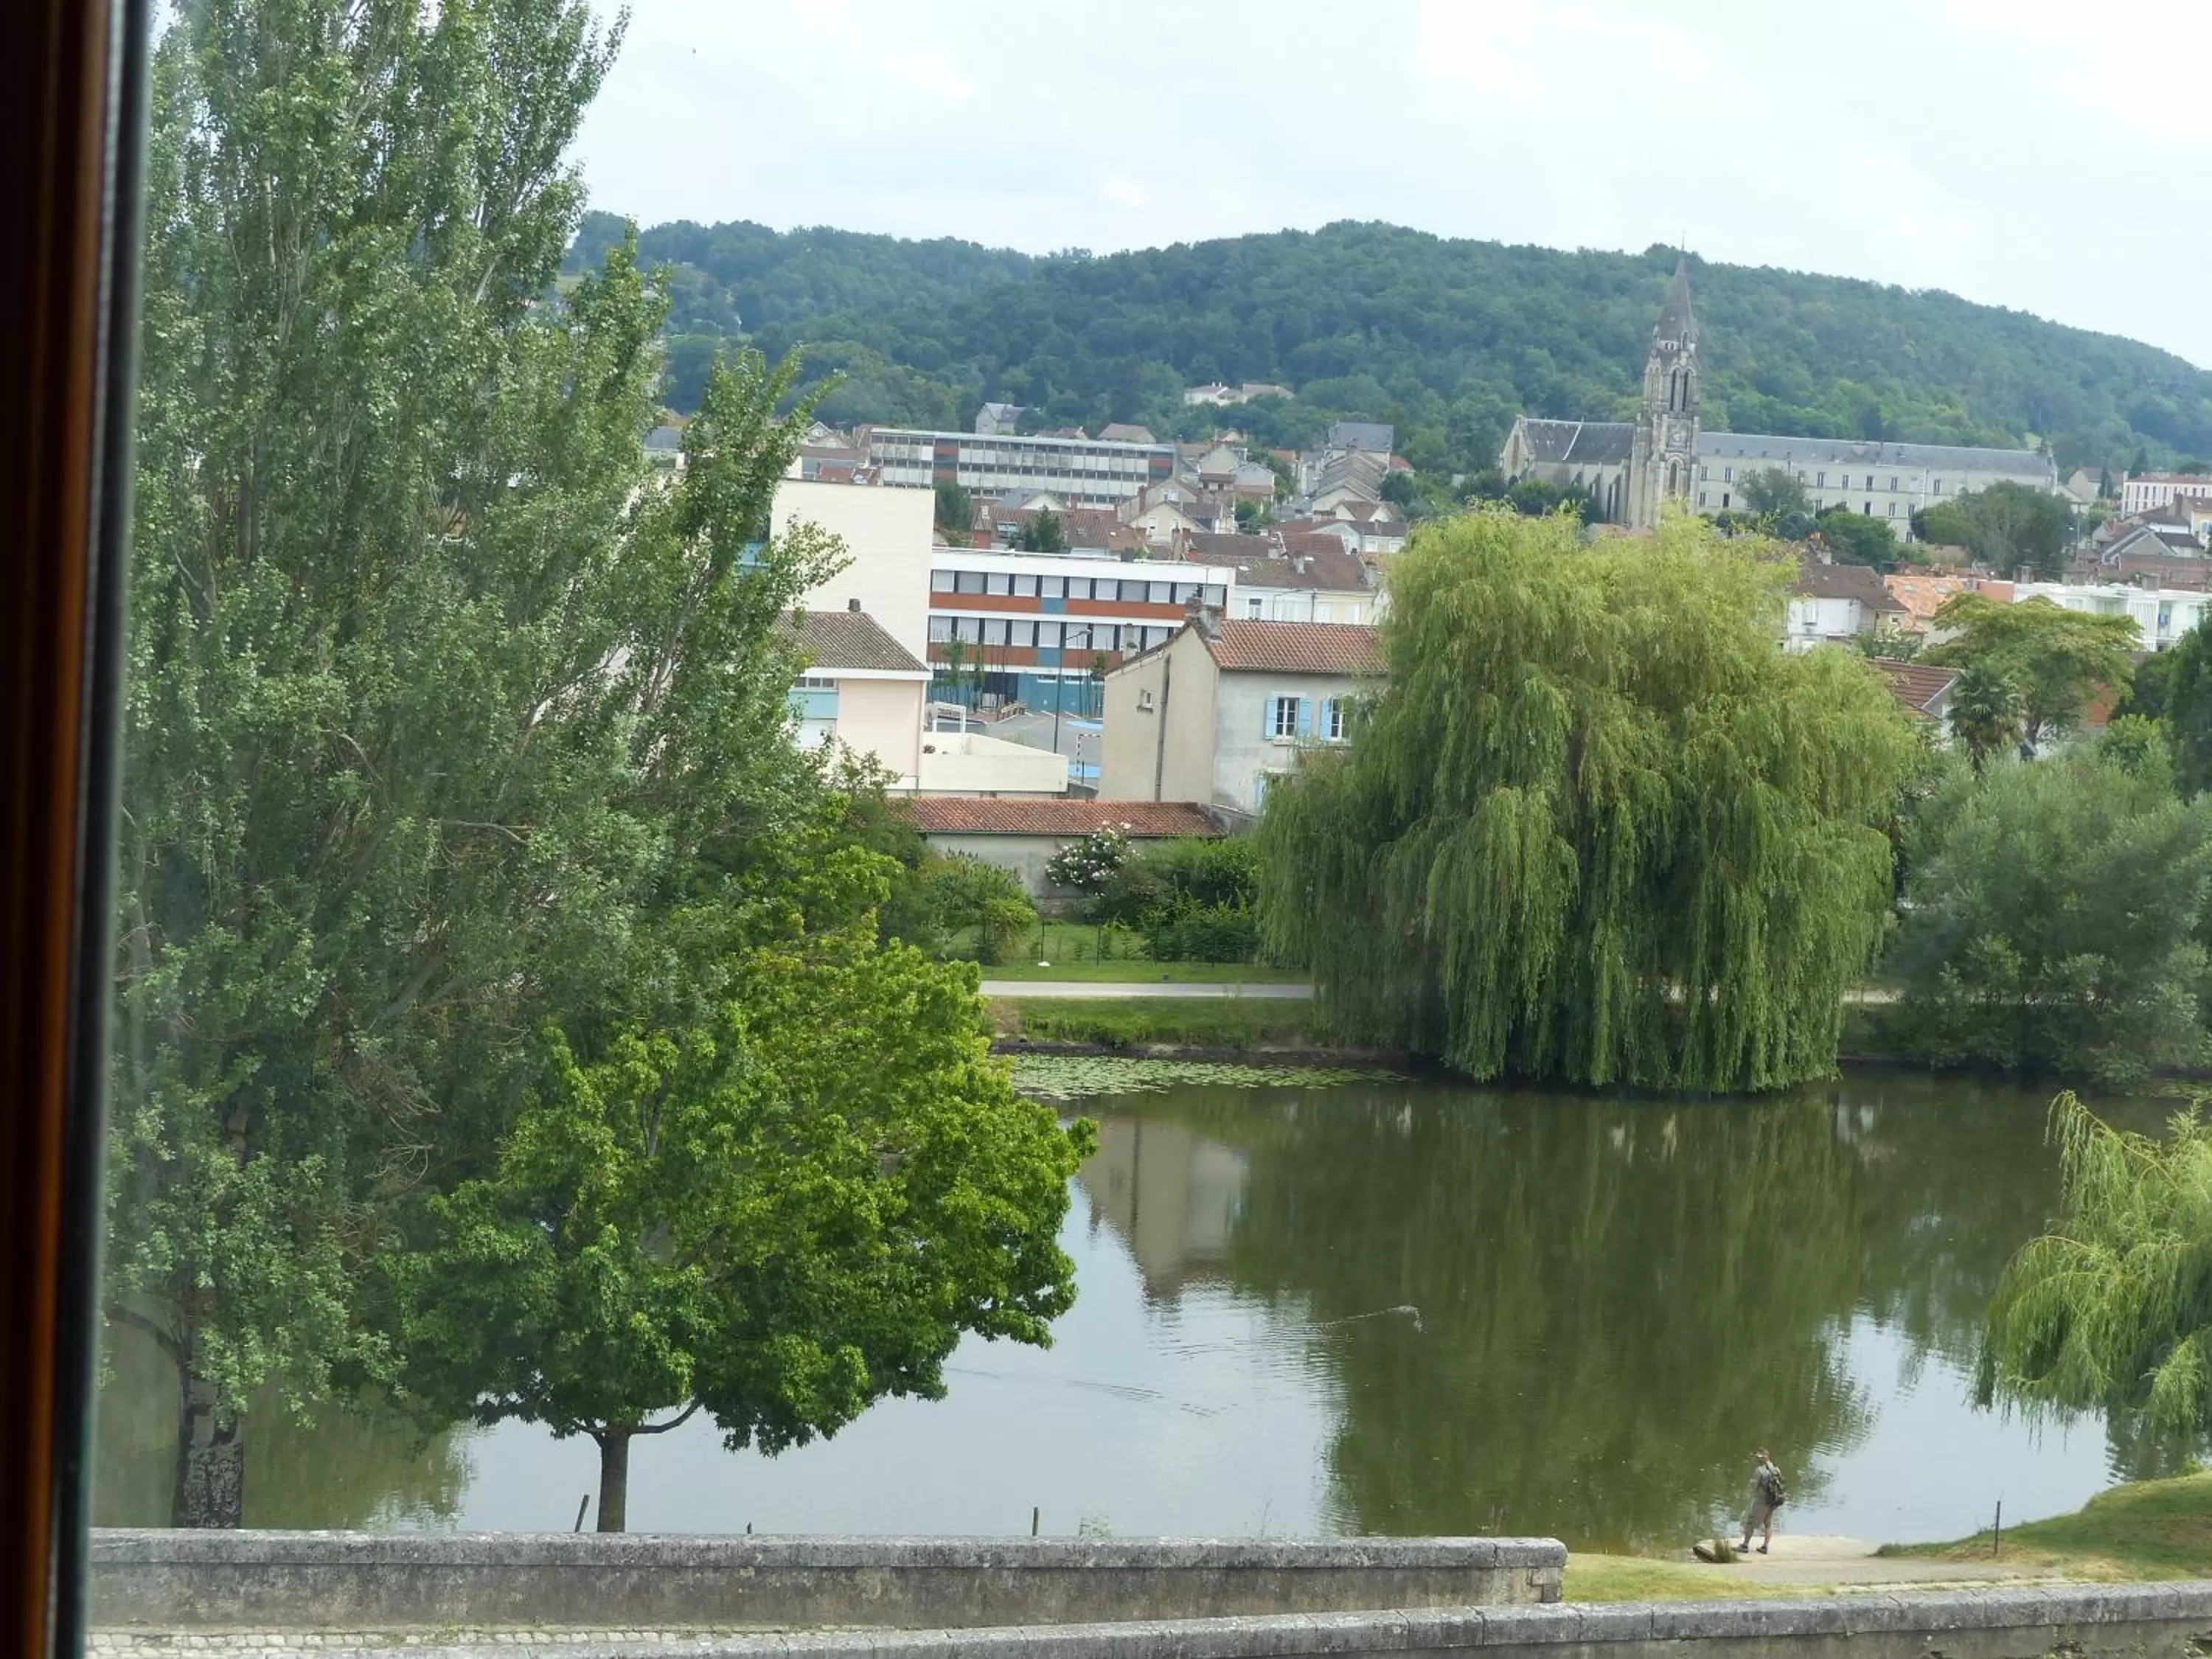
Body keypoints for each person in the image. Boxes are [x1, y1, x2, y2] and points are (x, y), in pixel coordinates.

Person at [1739, 1448, 1785, 1554]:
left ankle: (1745, 1545)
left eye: (1758, 1457)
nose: (1757, 1459)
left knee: (1750, 1522)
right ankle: (1765, 1547)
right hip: (1773, 1501)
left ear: (1763, 1458)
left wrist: (1751, 1484)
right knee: (1768, 1523)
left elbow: (1754, 1486)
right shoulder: (1776, 1469)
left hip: (1762, 1501)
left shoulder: (1759, 1471)